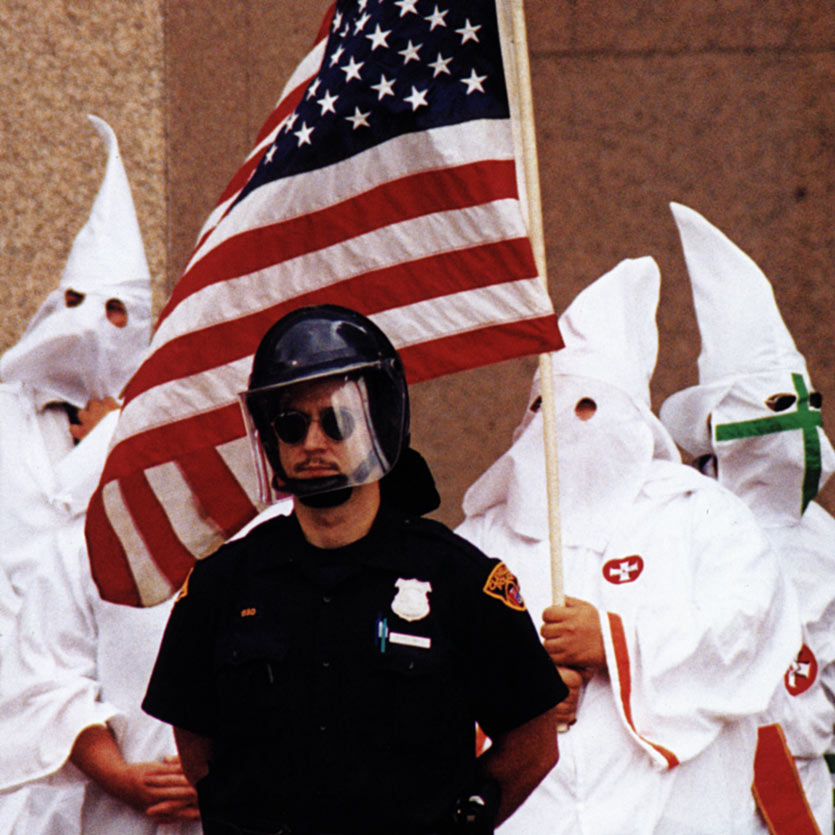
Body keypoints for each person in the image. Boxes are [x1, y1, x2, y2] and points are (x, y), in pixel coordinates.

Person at [143, 304, 567, 835]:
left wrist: (455, 822)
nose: (313, 443)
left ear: (380, 424)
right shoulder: (220, 586)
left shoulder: (459, 580)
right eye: (292, 425)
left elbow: (532, 743)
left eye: (337, 420)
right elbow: (198, 746)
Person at [456, 257, 801, 834]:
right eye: (546, 408)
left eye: (589, 407)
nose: (567, 426)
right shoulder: (483, 540)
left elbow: (747, 631)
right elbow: (430, 675)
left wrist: (616, 646)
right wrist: (520, 699)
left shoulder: (701, 515)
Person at [0, 115, 200, 833]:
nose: (92, 328)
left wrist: (118, 429)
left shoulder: (158, 437)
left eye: (117, 311)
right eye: (78, 303)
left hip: (97, 741)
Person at [659, 202, 835, 833]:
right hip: (705, 792)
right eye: (779, 405)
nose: (801, 423)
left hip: (806, 800)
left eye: (809, 403)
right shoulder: (677, 522)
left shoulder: (825, 539)